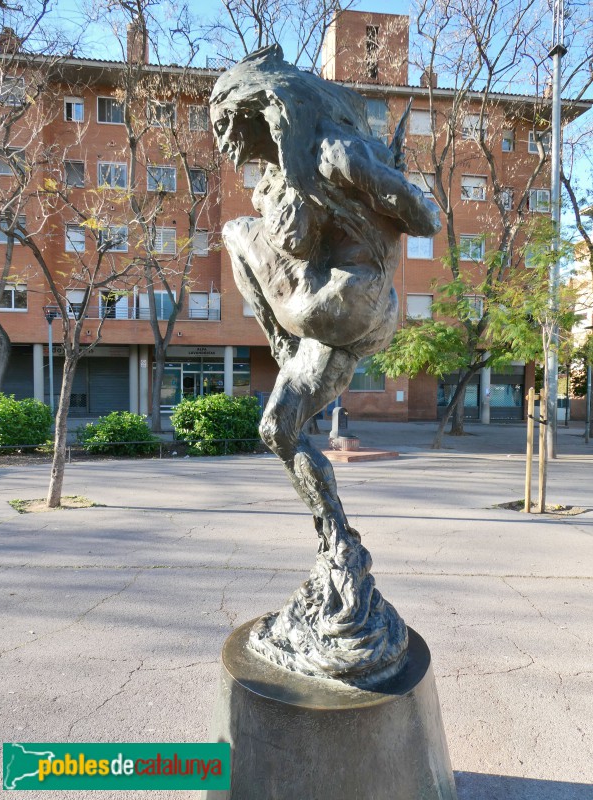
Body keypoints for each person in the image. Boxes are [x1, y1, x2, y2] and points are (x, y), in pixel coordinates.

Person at [210, 44, 441, 683]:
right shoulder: (289, 172)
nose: (233, 144)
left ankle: (280, 346)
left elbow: (425, 215)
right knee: (277, 429)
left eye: (233, 126)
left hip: (346, 300)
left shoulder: (335, 154)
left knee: (234, 232)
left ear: (265, 109)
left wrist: (382, 190)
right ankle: (337, 541)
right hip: (335, 319)